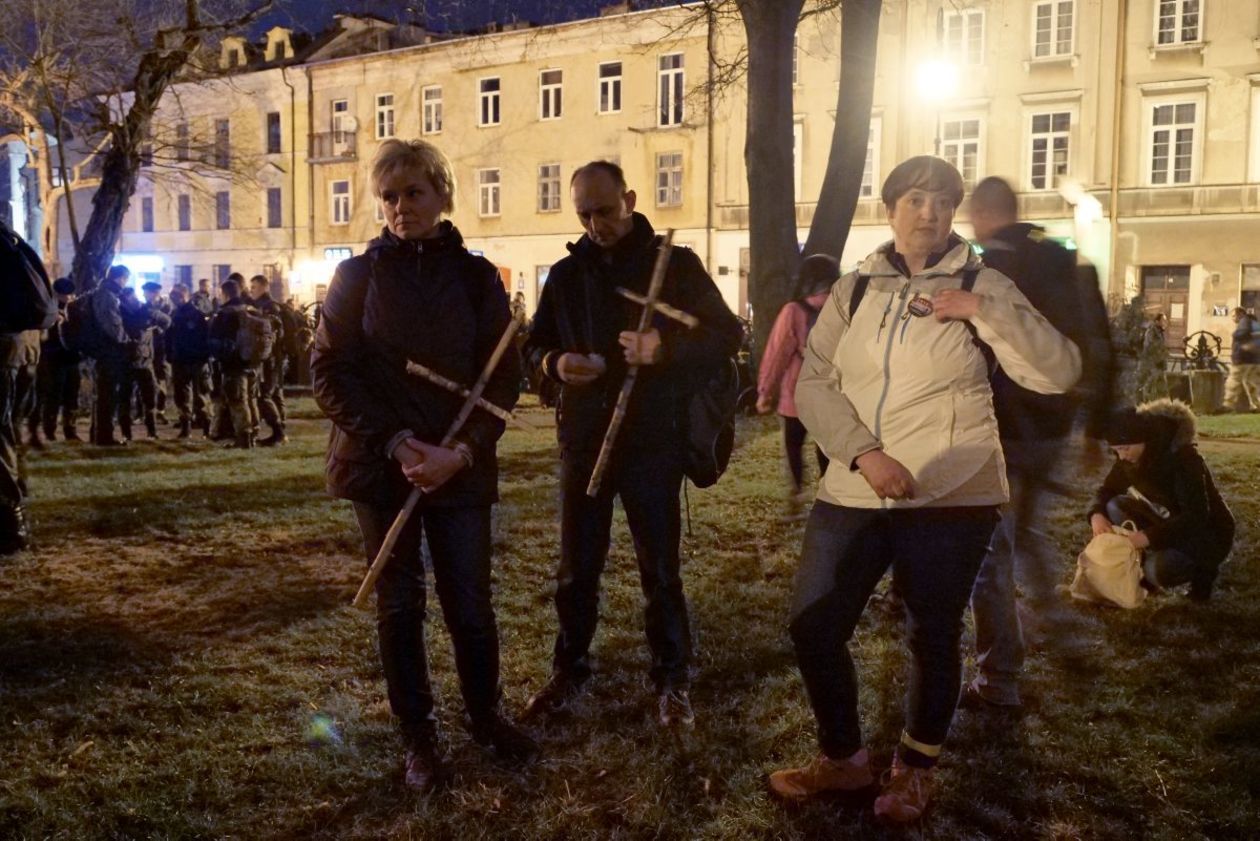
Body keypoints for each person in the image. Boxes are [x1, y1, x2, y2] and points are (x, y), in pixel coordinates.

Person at [768, 157, 1080, 822]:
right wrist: (865, 453)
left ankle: (915, 769)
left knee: (932, 633)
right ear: (890, 209)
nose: (929, 212)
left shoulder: (982, 281)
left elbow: (1059, 370)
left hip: (953, 490)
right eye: (914, 199)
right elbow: (816, 380)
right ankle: (844, 759)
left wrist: (984, 312)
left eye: (942, 200)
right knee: (813, 625)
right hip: (857, 485)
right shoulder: (855, 287)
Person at [310, 138, 537, 791]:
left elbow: (503, 378)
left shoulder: (476, 277)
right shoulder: (357, 277)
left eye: (414, 192)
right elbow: (329, 372)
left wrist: (460, 452)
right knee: (400, 604)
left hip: (458, 465)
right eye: (389, 196)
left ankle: (485, 717)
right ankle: (419, 735)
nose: (401, 206)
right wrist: (398, 442)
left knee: (470, 601)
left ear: (441, 195)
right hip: (382, 464)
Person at [521, 160, 742, 728]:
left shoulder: (676, 265)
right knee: (577, 567)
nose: (595, 225)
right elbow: (534, 345)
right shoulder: (567, 275)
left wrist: (663, 348)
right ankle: (569, 671)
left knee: (659, 567)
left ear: (631, 199)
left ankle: (671, 678)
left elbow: (726, 334)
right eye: (584, 215)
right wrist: (555, 363)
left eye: (605, 211)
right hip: (584, 438)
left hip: (652, 438)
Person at [962, 176, 1114, 710]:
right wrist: (1095, 426)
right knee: (1022, 534)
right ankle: (1057, 627)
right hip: (1054, 428)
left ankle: (999, 677)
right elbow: (1100, 345)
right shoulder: (1068, 263)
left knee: (991, 549)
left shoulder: (987, 270)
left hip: (1003, 425)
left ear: (983, 215)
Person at [1090, 401, 1235, 601]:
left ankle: (1203, 572)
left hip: (1207, 535)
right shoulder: (1130, 458)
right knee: (1113, 506)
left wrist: (1148, 537)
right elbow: (1108, 490)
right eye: (1116, 451)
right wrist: (1096, 513)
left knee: (1157, 570)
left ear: (1142, 439)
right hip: (1168, 520)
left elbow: (1196, 516)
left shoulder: (1183, 459)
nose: (1121, 456)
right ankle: (1144, 562)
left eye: (1125, 449)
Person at [756, 254, 838, 501]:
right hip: (832, 394)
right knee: (827, 447)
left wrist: (765, 392)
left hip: (796, 395)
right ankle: (829, 493)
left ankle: (797, 492)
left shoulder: (793, 310)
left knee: (794, 444)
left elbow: (777, 354)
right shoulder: (842, 310)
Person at [209, 277, 260, 449]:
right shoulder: (251, 310)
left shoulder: (226, 314)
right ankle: (253, 433)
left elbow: (216, 339)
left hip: (233, 364)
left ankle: (244, 438)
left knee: (238, 401)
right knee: (250, 399)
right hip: (253, 362)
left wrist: (217, 355)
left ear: (224, 294)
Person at [30, 278, 82, 445]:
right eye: (67, 295)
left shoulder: (74, 310)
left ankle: (70, 430)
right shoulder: (49, 310)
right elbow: (44, 336)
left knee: (72, 395)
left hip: (72, 358)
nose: (70, 298)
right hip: (54, 359)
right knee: (54, 394)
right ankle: (50, 430)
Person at [89, 265, 135, 446]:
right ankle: (104, 436)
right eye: (125, 279)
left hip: (104, 350)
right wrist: (127, 341)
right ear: (120, 278)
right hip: (109, 351)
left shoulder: (103, 292)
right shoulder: (107, 296)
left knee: (104, 393)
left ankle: (99, 434)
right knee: (107, 394)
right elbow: (113, 326)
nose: (125, 283)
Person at [119, 282, 171, 440]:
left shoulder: (125, 311)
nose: (135, 299)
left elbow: (166, 321)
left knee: (140, 397)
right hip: (138, 360)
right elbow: (165, 321)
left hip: (135, 360)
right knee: (139, 397)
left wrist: (156, 328)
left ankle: (135, 433)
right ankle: (144, 432)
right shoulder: (144, 311)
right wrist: (155, 328)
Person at [166, 283, 213, 438]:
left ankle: (206, 427)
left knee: (201, 395)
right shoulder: (175, 314)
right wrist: (170, 354)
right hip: (180, 359)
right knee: (182, 396)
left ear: (185, 295)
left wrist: (204, 356)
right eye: (173, 294)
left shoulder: (196, 314)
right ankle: (186, 427)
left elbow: (205, 337)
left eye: (177, 294)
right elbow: (170, 337)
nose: (175, 298)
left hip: (196, 360)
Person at [246, 274, 288, 445]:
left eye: (254, 287)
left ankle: (278, 432)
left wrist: (253, 316)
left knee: (264, 395)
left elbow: (270, 330)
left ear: (264, 287)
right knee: (273, 394)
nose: (251, 291)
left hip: (271, 358)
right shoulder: (263, 305)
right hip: (272, 357)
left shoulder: (269, 307)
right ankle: (279, 432)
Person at [1225, 307, 1259, 412]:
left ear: (1240, 314)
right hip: (1254, 359)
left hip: (1242, 358)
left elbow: (1243, 333)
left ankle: (1228, 405)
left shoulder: (1244, 321)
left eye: (1234, 316)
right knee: (1251, 383)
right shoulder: (1254, 323)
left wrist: (1235, 334)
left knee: (1233, 381)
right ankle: (1257, 405)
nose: (1233, 319)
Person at [1137, 311, 1169, 402]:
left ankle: (1165, 402)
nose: (1165, 322)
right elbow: (1148, 346)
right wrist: (1159, 353)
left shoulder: (1160, 332)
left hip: (1159, 362)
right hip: (1153, 363)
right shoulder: (1151, 331)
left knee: (1162, 383)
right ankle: (1145, 401)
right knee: (1150, 383)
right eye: (1163, 320)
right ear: (1157, 321)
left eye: (1165, 320)